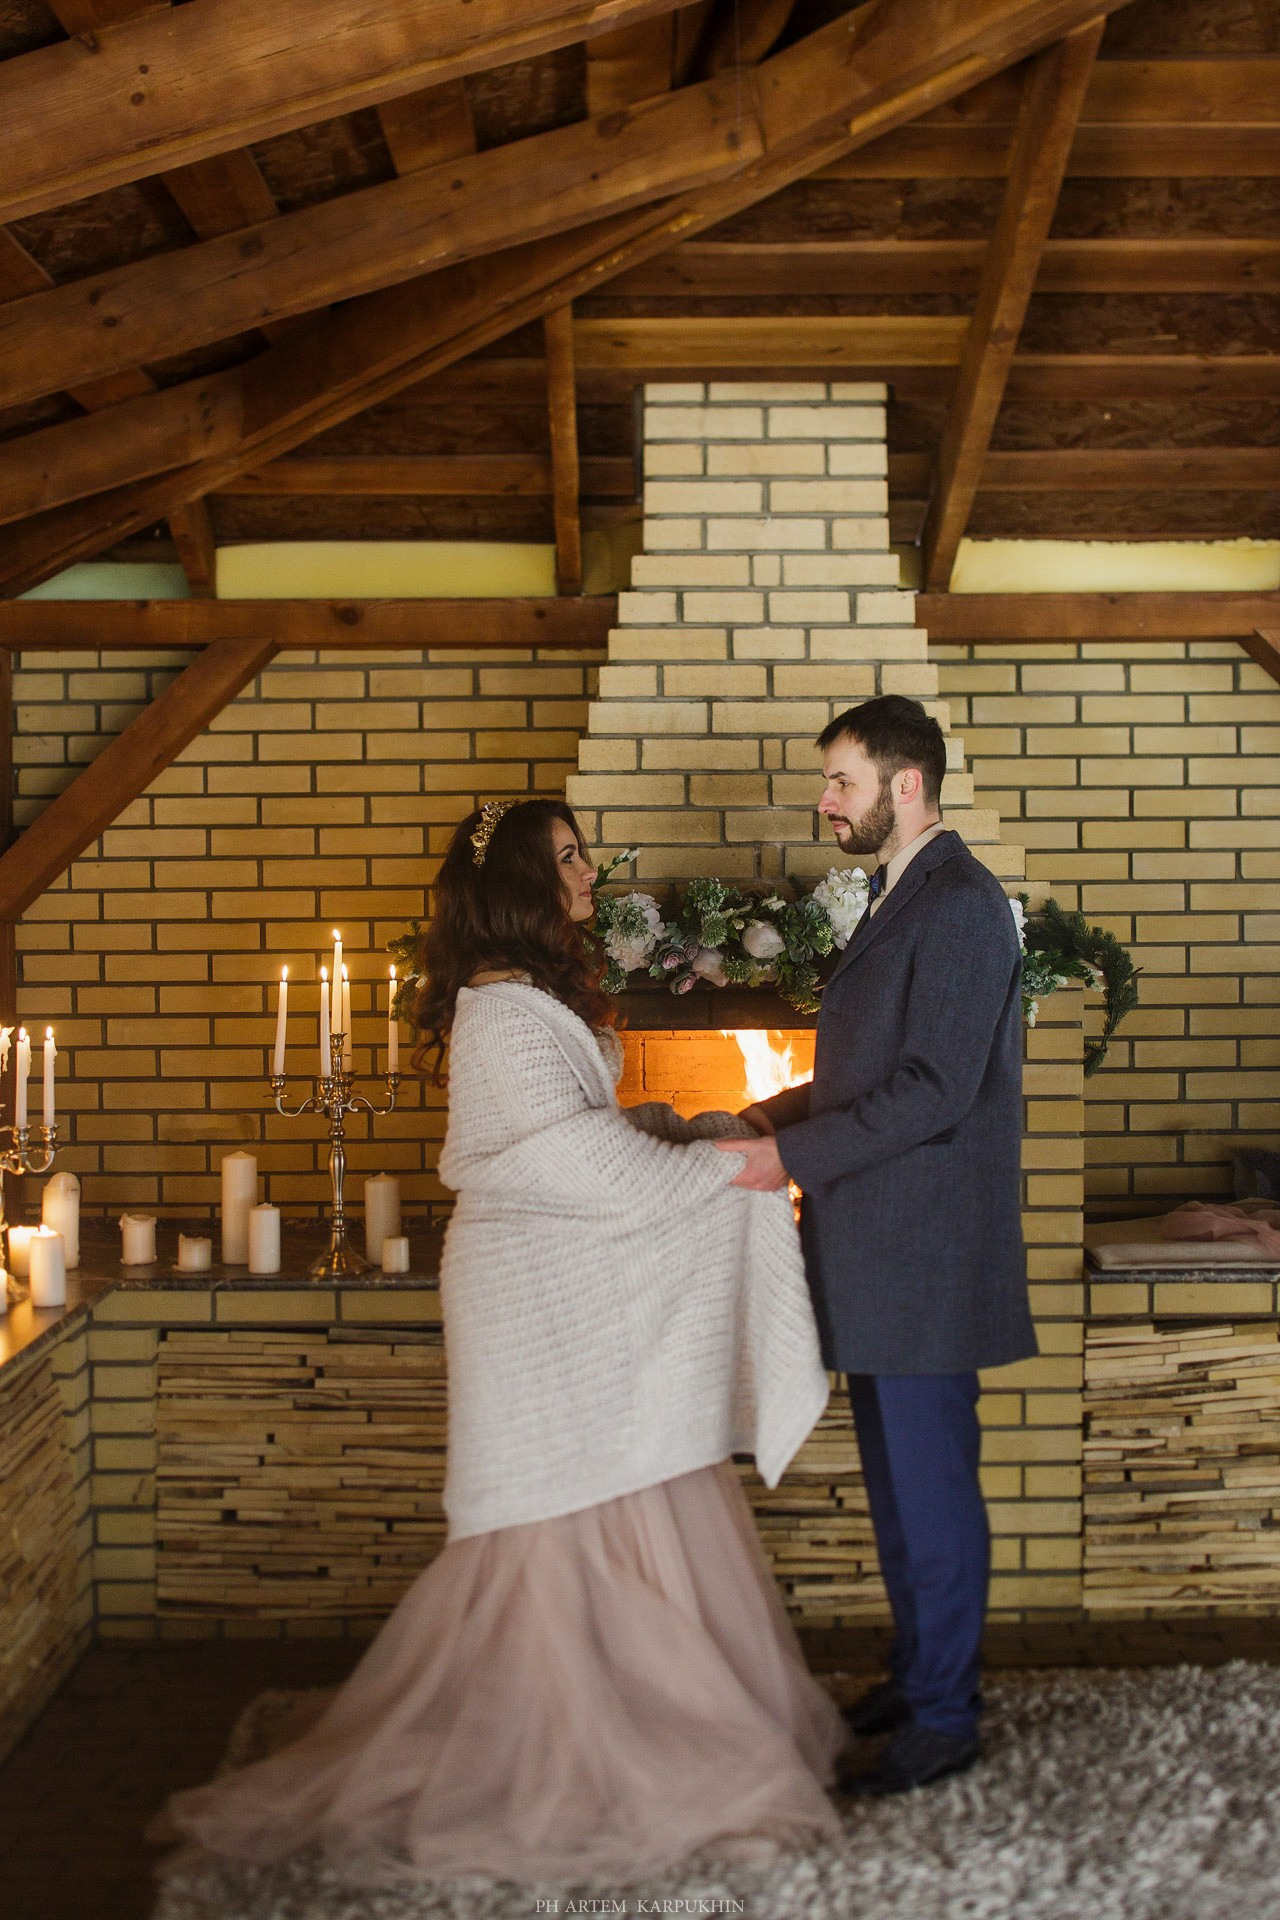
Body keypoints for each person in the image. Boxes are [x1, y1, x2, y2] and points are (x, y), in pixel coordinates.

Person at [147, 798, 845, 1893]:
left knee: (607, 1490)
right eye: (568, 857)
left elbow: (578, 1141)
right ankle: (557, 1749)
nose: (589, 872)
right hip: (528, 1297)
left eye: (583, 853)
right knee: (550, 1510)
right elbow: (572, 1166)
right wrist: (731, 1166)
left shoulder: (528, 998)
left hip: (562, 1281)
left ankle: (617, 1718)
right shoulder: (501, 1013)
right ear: (520, 882)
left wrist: (685, 1131)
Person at [718, 696, 1036, 1796]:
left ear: (907, 785)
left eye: (840, 781)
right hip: (880, 1251)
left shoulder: (961, 903)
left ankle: (944, 1720)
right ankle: (917, 1679)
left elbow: (936, 1089)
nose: (825, 801)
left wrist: (788, 1159)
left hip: (923, 1254)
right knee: (901, 1494)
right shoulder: (900, 893)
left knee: (930, 1494)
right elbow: (868, 1076)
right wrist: (763, 1116)